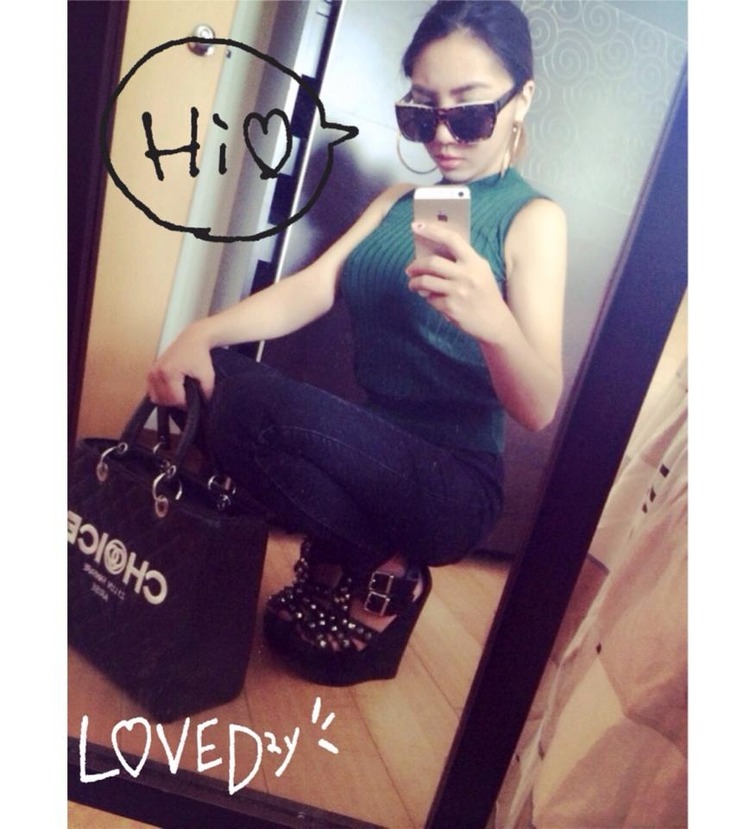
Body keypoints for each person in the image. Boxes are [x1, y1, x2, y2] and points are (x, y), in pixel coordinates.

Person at [147, 0, 567, 687]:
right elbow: (313, 287)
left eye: (468, 113)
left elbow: (538, 405)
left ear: (521, 99)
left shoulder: (532, 218)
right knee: (214, 373)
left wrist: (492, 319)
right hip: (367, 448)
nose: (442, 137)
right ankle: (374, 559)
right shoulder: (396, 202)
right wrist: (200, 332)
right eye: (421, 112)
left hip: (452, 481)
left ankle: (372, 563)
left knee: (250, 404)